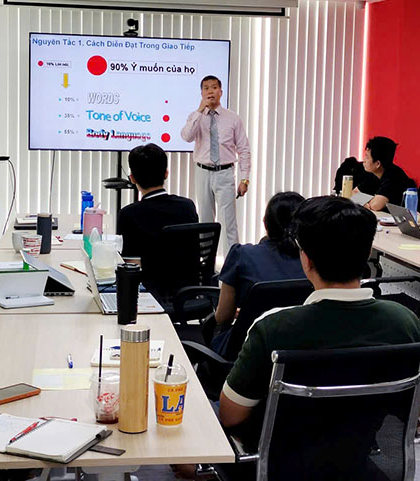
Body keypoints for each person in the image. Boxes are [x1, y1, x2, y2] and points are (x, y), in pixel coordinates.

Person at [219, 196, 420, 441]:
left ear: (306, 260)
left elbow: (230, 415)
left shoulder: (272, 327)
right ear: (367, 254)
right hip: (362, 454)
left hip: (284, 457)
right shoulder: (403, 321)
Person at [212, 191, 306, 353]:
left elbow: (223, 317)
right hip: (300, 353)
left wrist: (248, 313)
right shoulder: (314, 263)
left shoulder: (242, 255)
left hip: (246, 352)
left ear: (265, 223)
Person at [181, 75, 251, 254]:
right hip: (202, 172)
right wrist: (199, 111)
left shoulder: (233, 118)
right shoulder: (195, 117)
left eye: (214, 87)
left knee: (229, 223)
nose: (210, 91)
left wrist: (244, 179)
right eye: (206, 88)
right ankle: (206, 262)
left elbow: (244, 149)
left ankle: (232, 262)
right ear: (201, 93)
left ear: (221, 92)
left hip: (225, 173)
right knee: (205, 221)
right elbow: (186, 137)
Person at [116, 143, 198, 295]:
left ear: (132, 178)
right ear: (166, 174)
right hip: (188, 294)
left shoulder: (129, 214)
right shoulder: (187, 206)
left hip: (150, 296)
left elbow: (132, 267)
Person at [357, 136, 415, 211]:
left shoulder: (393, 177)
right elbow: (354, 193)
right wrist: (366, 202)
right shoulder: (373, 173)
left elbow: (375, 206)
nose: (364, 160)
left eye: (367, 157)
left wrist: (364, 202)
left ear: (378, 164)